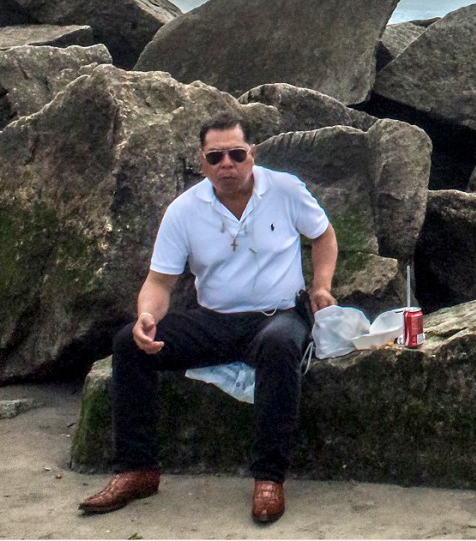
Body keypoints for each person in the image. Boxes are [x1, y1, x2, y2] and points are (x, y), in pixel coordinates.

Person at [79, 112, 338, 525]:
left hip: (277, 315)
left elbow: (323, 235)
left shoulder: (285, 190)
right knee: (129, 342)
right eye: (215, 157)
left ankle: (269, 478)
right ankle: (137, 469)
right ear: (202, 162)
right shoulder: (184, 210)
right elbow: (159, 282)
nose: (227, 165)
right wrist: (146, 316)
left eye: (236, 154)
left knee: (279, 344)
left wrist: (321, 285)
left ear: (252, 155)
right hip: (214, 319)